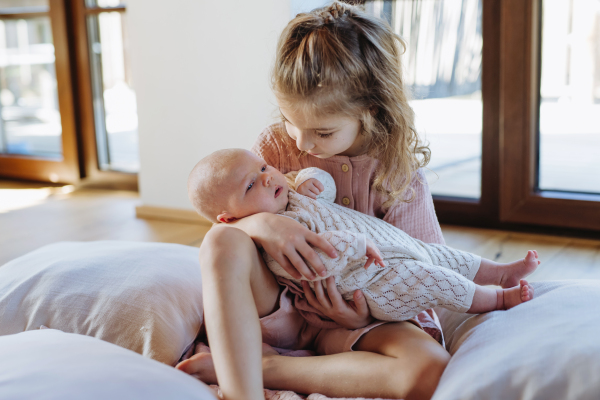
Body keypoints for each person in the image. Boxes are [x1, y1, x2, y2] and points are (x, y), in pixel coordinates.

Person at [178, 2, 479, 399]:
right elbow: (230, 214)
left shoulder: (397, 174)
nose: (302, 143)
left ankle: (264, 366)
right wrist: (263, 223)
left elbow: (428, 270)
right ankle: (243, 391)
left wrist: (363, 311)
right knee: (220, 239)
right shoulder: (276, 145)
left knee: (429, 370)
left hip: (361, 319)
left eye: (322, 132)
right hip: (282, 304)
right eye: (291, 122)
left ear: (370, 111)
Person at [187, 149, 538, 325]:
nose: (266, 177)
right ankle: (494, 300)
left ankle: (498, 272)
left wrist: (313, 181)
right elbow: (320, 257)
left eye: (263, 167)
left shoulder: (287, 191)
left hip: (390, 243)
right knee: (432, 278)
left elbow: (321, 188)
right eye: (251, 185)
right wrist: (355, 245)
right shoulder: (273, 247)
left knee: (444, 255)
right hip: (374, 277)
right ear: (229, 218)